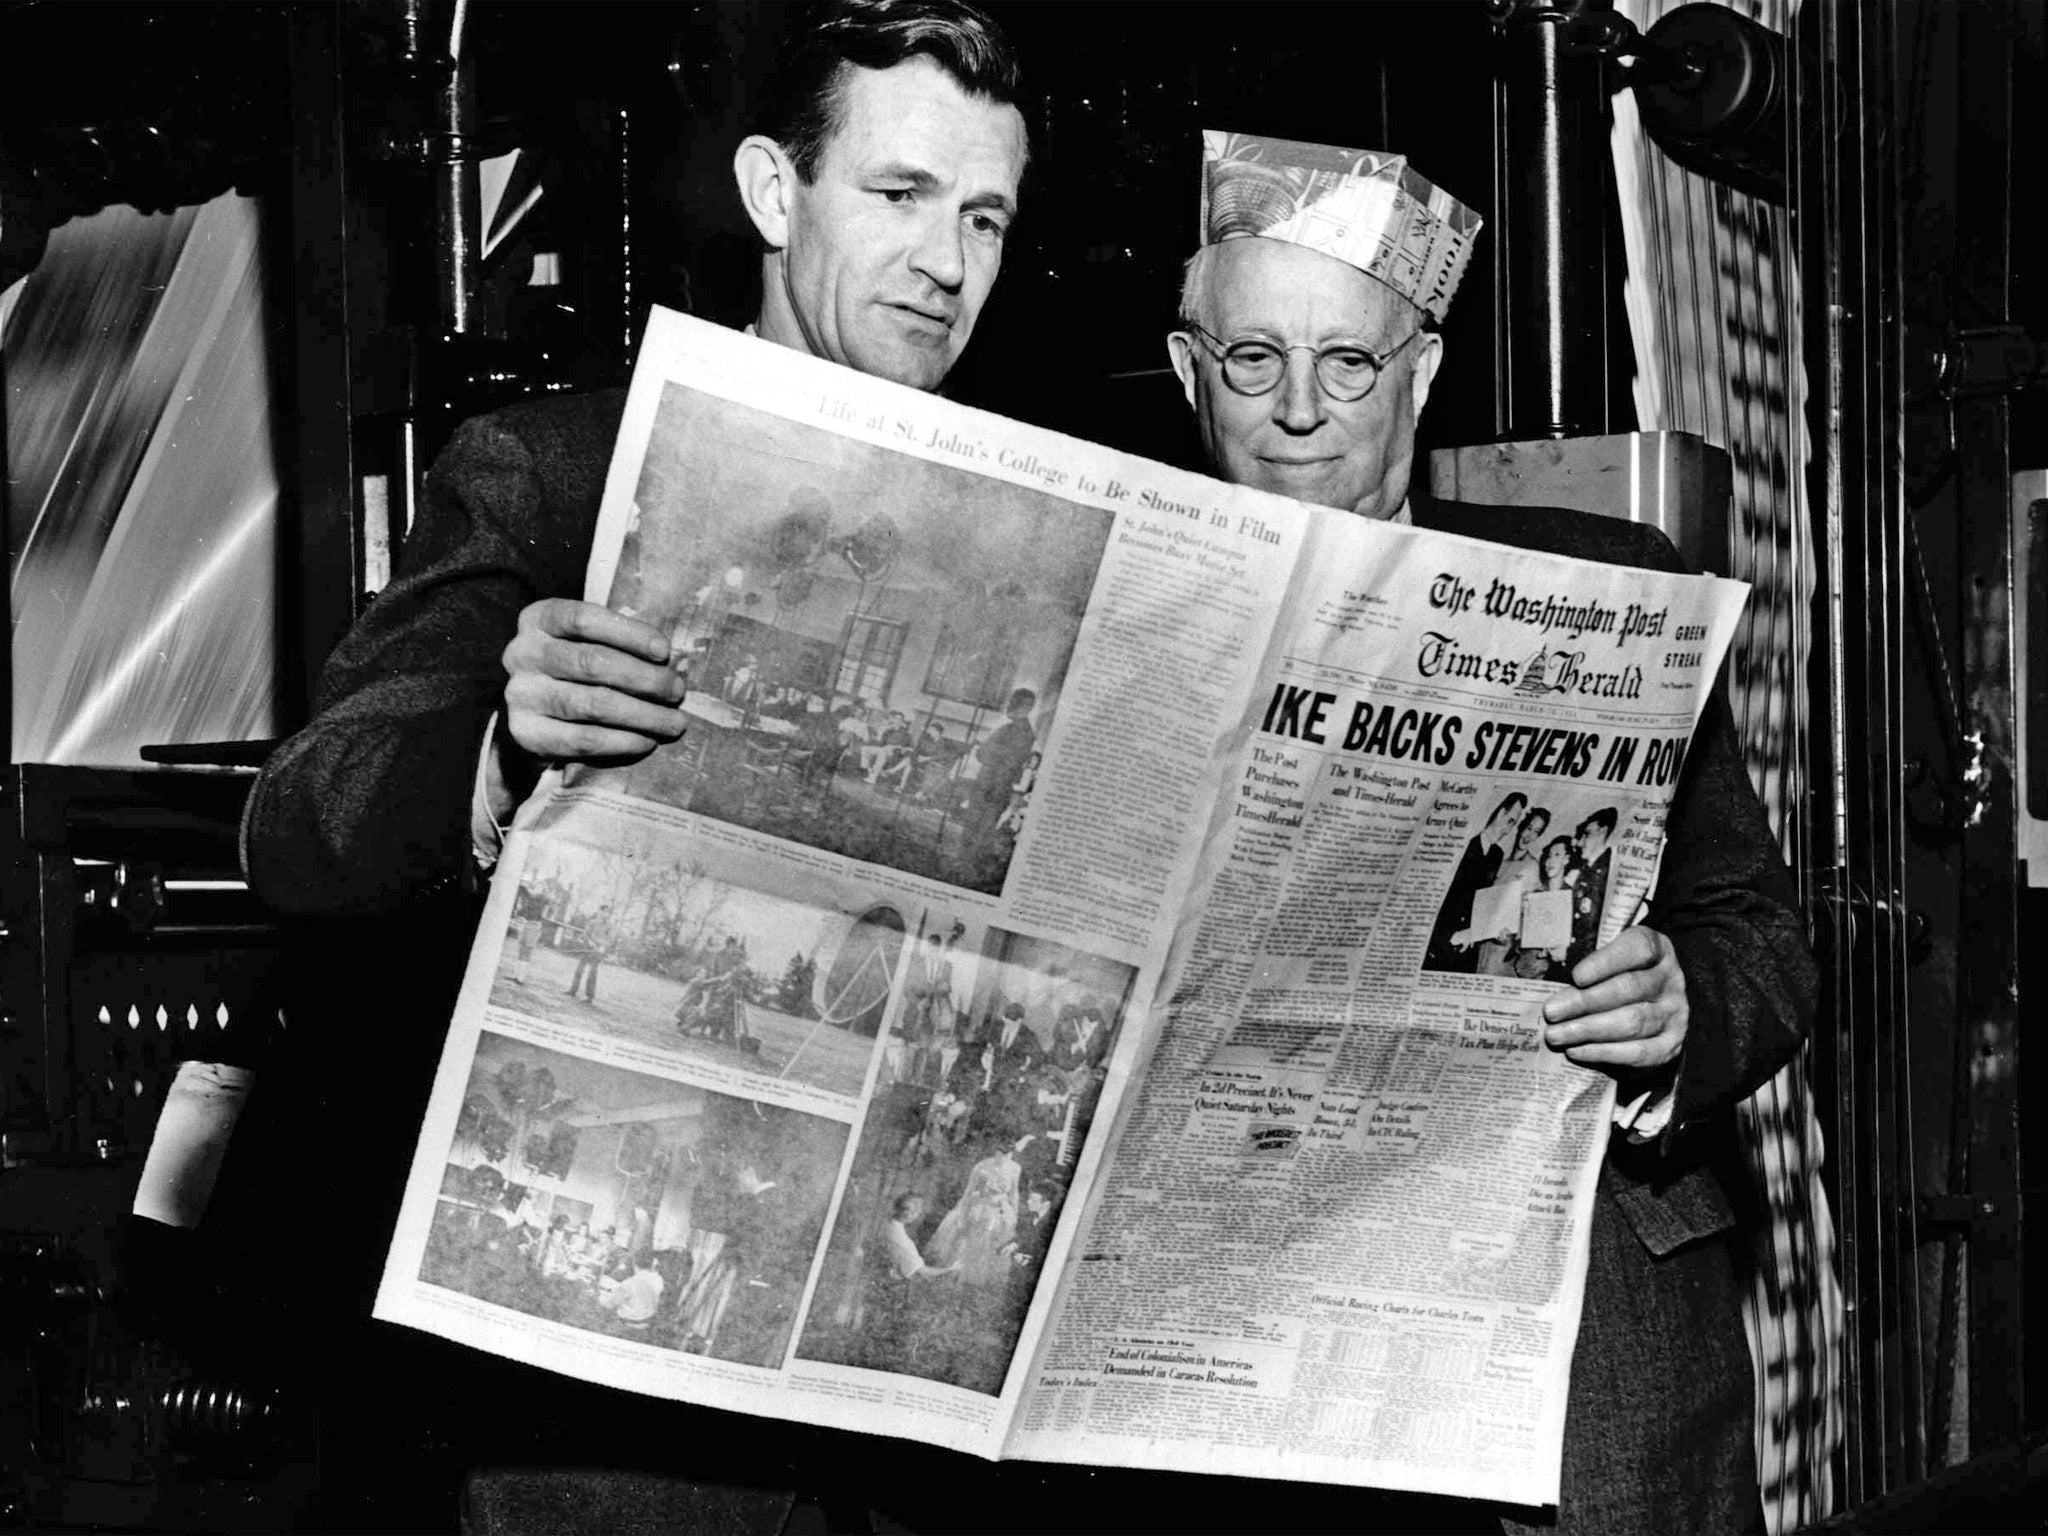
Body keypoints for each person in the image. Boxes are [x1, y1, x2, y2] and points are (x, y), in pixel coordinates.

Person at [237, 3, 1030, 1525]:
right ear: (773, 194)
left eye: (986, 217)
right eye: (903, 194)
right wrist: (493, 742)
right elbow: (301, 819)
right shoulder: (553, 470)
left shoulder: (1022, 507)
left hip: (920, 1408)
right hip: (622, 1422)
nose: (948, 260)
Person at [1163, 129, 1816, 1532]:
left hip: (1588, 1356)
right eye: (1253, 362)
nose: (1298, 413)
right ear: (1188, 376)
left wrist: (1678, 1004)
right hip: (1246, 1355)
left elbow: (1763, 937)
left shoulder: (1603, 597)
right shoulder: (1139, 632)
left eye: (1348, 363)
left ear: (1422, 374)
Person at [1424, 792, 1528, 973]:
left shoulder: (1497, 855)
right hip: (1442, 941)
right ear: (1500, 813)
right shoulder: (1466, 845)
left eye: (1514, 824)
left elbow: (1482, 901)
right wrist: (1449, 936)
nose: (1509, 829)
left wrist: (1488, 930)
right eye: (1510, 821)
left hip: (1469, 944)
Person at [1566, 807, 1618, 972]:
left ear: (1602, 832)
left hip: (1589, 964)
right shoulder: (1584, 871)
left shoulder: (1611, 871)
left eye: (1587, 834)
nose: (1580, 843)